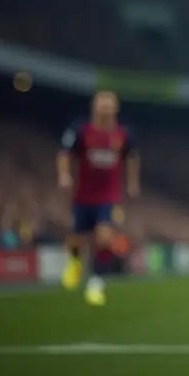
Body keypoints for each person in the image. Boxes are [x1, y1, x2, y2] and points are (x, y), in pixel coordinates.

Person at [57, 90, 139, 305]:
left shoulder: (123, 134)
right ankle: (75, 262)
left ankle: (96, 283)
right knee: (77, 238)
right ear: (94, 106)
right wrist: (64, 175)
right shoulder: (81, 130)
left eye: (109, 105)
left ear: (115, 108)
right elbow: (64, 153)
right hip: (83, 196)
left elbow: (132, 157)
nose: (105, 109)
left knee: (105, 237)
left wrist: (132, 182)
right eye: (102, 104)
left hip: (109, 197)